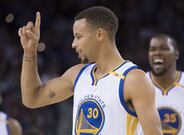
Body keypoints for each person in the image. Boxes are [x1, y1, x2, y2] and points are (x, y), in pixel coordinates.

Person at [18, 6, 162, 135]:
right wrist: (30, 52)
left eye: (78, 37)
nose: (73, 44)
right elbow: (32, 99)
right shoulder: (78, 74)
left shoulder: (133, 79)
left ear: (100, 34)